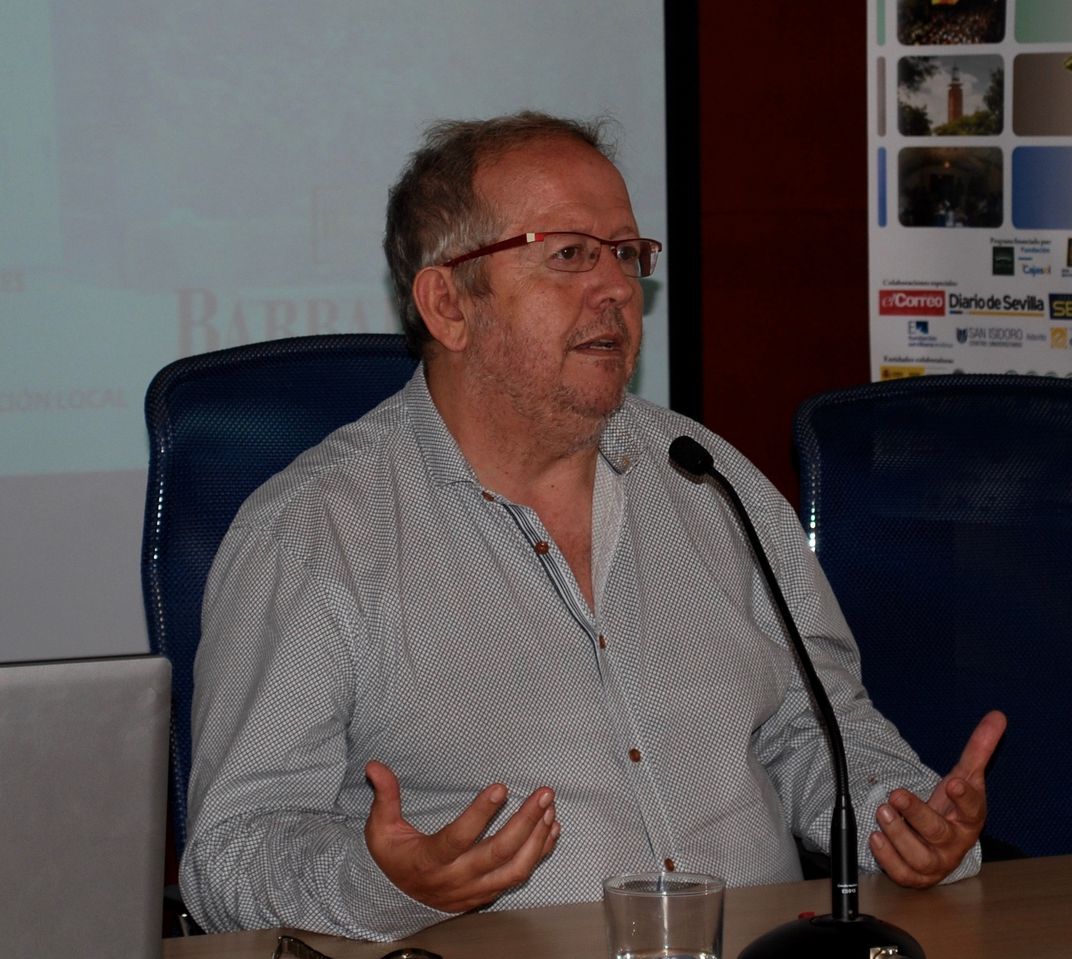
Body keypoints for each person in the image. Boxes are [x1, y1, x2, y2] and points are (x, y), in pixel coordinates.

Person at [179, 111, 1006, 941]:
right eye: (569, 253)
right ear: (447, 304)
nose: (616, 286)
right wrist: (385, 881)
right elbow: (227, 857)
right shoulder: (318, 534)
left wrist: (892, 815)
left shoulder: (708, 479)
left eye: (626, 254)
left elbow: (817, 723)